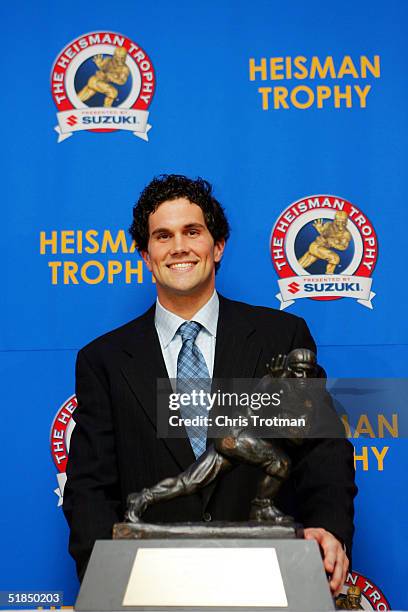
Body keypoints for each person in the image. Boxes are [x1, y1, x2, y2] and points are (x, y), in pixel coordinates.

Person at [63, 175, 357, 596]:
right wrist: (106, 580)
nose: (178, 246)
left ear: (217, 246)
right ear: (147, 255)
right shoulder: (103, 361)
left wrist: (329, 531)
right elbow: (89, 486)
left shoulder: (282, 338)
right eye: (162, 236)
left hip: (271, 582)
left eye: (192, 231)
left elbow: (321, 452)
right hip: (148, 589)